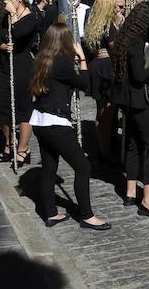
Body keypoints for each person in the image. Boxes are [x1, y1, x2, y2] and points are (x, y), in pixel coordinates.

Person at [28, 23, 110, 230]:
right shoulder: (62, 62)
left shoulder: (41, 59)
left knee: (49, 168)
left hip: (39, 120)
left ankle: (51, 213)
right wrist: (82, 58)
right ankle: (86, 215)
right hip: (56, 123)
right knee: (83, 167)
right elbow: (84, 84)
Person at [111, 2, 149, 218]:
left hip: (129, 101)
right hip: (139, 100)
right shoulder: (135, 42)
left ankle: (130, 191)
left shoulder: (125, 39)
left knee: (134, 144)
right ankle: (148, 200)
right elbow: (139, 75)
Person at [0, 0, 37, 167]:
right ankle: (8, 142)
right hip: (5, 67)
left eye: (8, 0)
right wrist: (3, 46)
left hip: (22, 67)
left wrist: (13, 16)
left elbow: (19, 33)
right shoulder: (6, 17)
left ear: (18, 0)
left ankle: (23, 148)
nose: (5, 4)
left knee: (23, 108)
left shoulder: (31, 17)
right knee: (3, 108)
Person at [83, 0, 122, 159]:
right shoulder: (109, 25)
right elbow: (116, 47)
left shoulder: (94, 23)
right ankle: (105, 150)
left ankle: (104, 146)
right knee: (107, 112)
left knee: (102, 110)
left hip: (97, 66)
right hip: (106, 67)